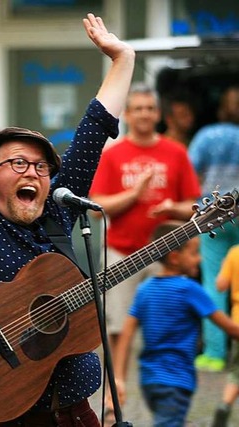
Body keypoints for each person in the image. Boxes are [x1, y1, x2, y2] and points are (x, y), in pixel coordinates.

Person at [0, 10, 135, 426]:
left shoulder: (56, 213)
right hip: (10, 412)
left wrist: (123, 60)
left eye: (41, 167)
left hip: (75, 413)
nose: (32, 171)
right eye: (18, 163)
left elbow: (92, 132)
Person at [89, 83, 201, 395]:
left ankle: (167, 389)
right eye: (138, 108)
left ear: (158, 114)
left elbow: (194, 205)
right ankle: (116, 391)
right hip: (121, 253)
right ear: (126, 114)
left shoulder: (176, 153)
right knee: (116, 327)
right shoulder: (113, 155)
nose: (144, 114)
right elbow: (97, 208)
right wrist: (134, 194)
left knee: (168, 327)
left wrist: (171, 208)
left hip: (165, 255)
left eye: (150, 108)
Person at [113, 221, 239, 427]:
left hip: (149, 380)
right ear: (174, 258)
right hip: (176, 380)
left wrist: (119, 377)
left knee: (171, 420)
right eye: (194, 253)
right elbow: (230, 328)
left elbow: (126, 334)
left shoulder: (145, 289)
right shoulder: (189, 289)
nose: (199, 259)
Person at [188, 85, 239, 373]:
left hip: (213, 216)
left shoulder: (207, 136)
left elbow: (190, 171)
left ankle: (215, 353)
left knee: (214, 284)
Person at [212, 244, 239, 426]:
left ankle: (225, 405)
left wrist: (224, 266)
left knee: (236, 371)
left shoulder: (234, 252)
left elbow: (220, 286)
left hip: (237, 323)